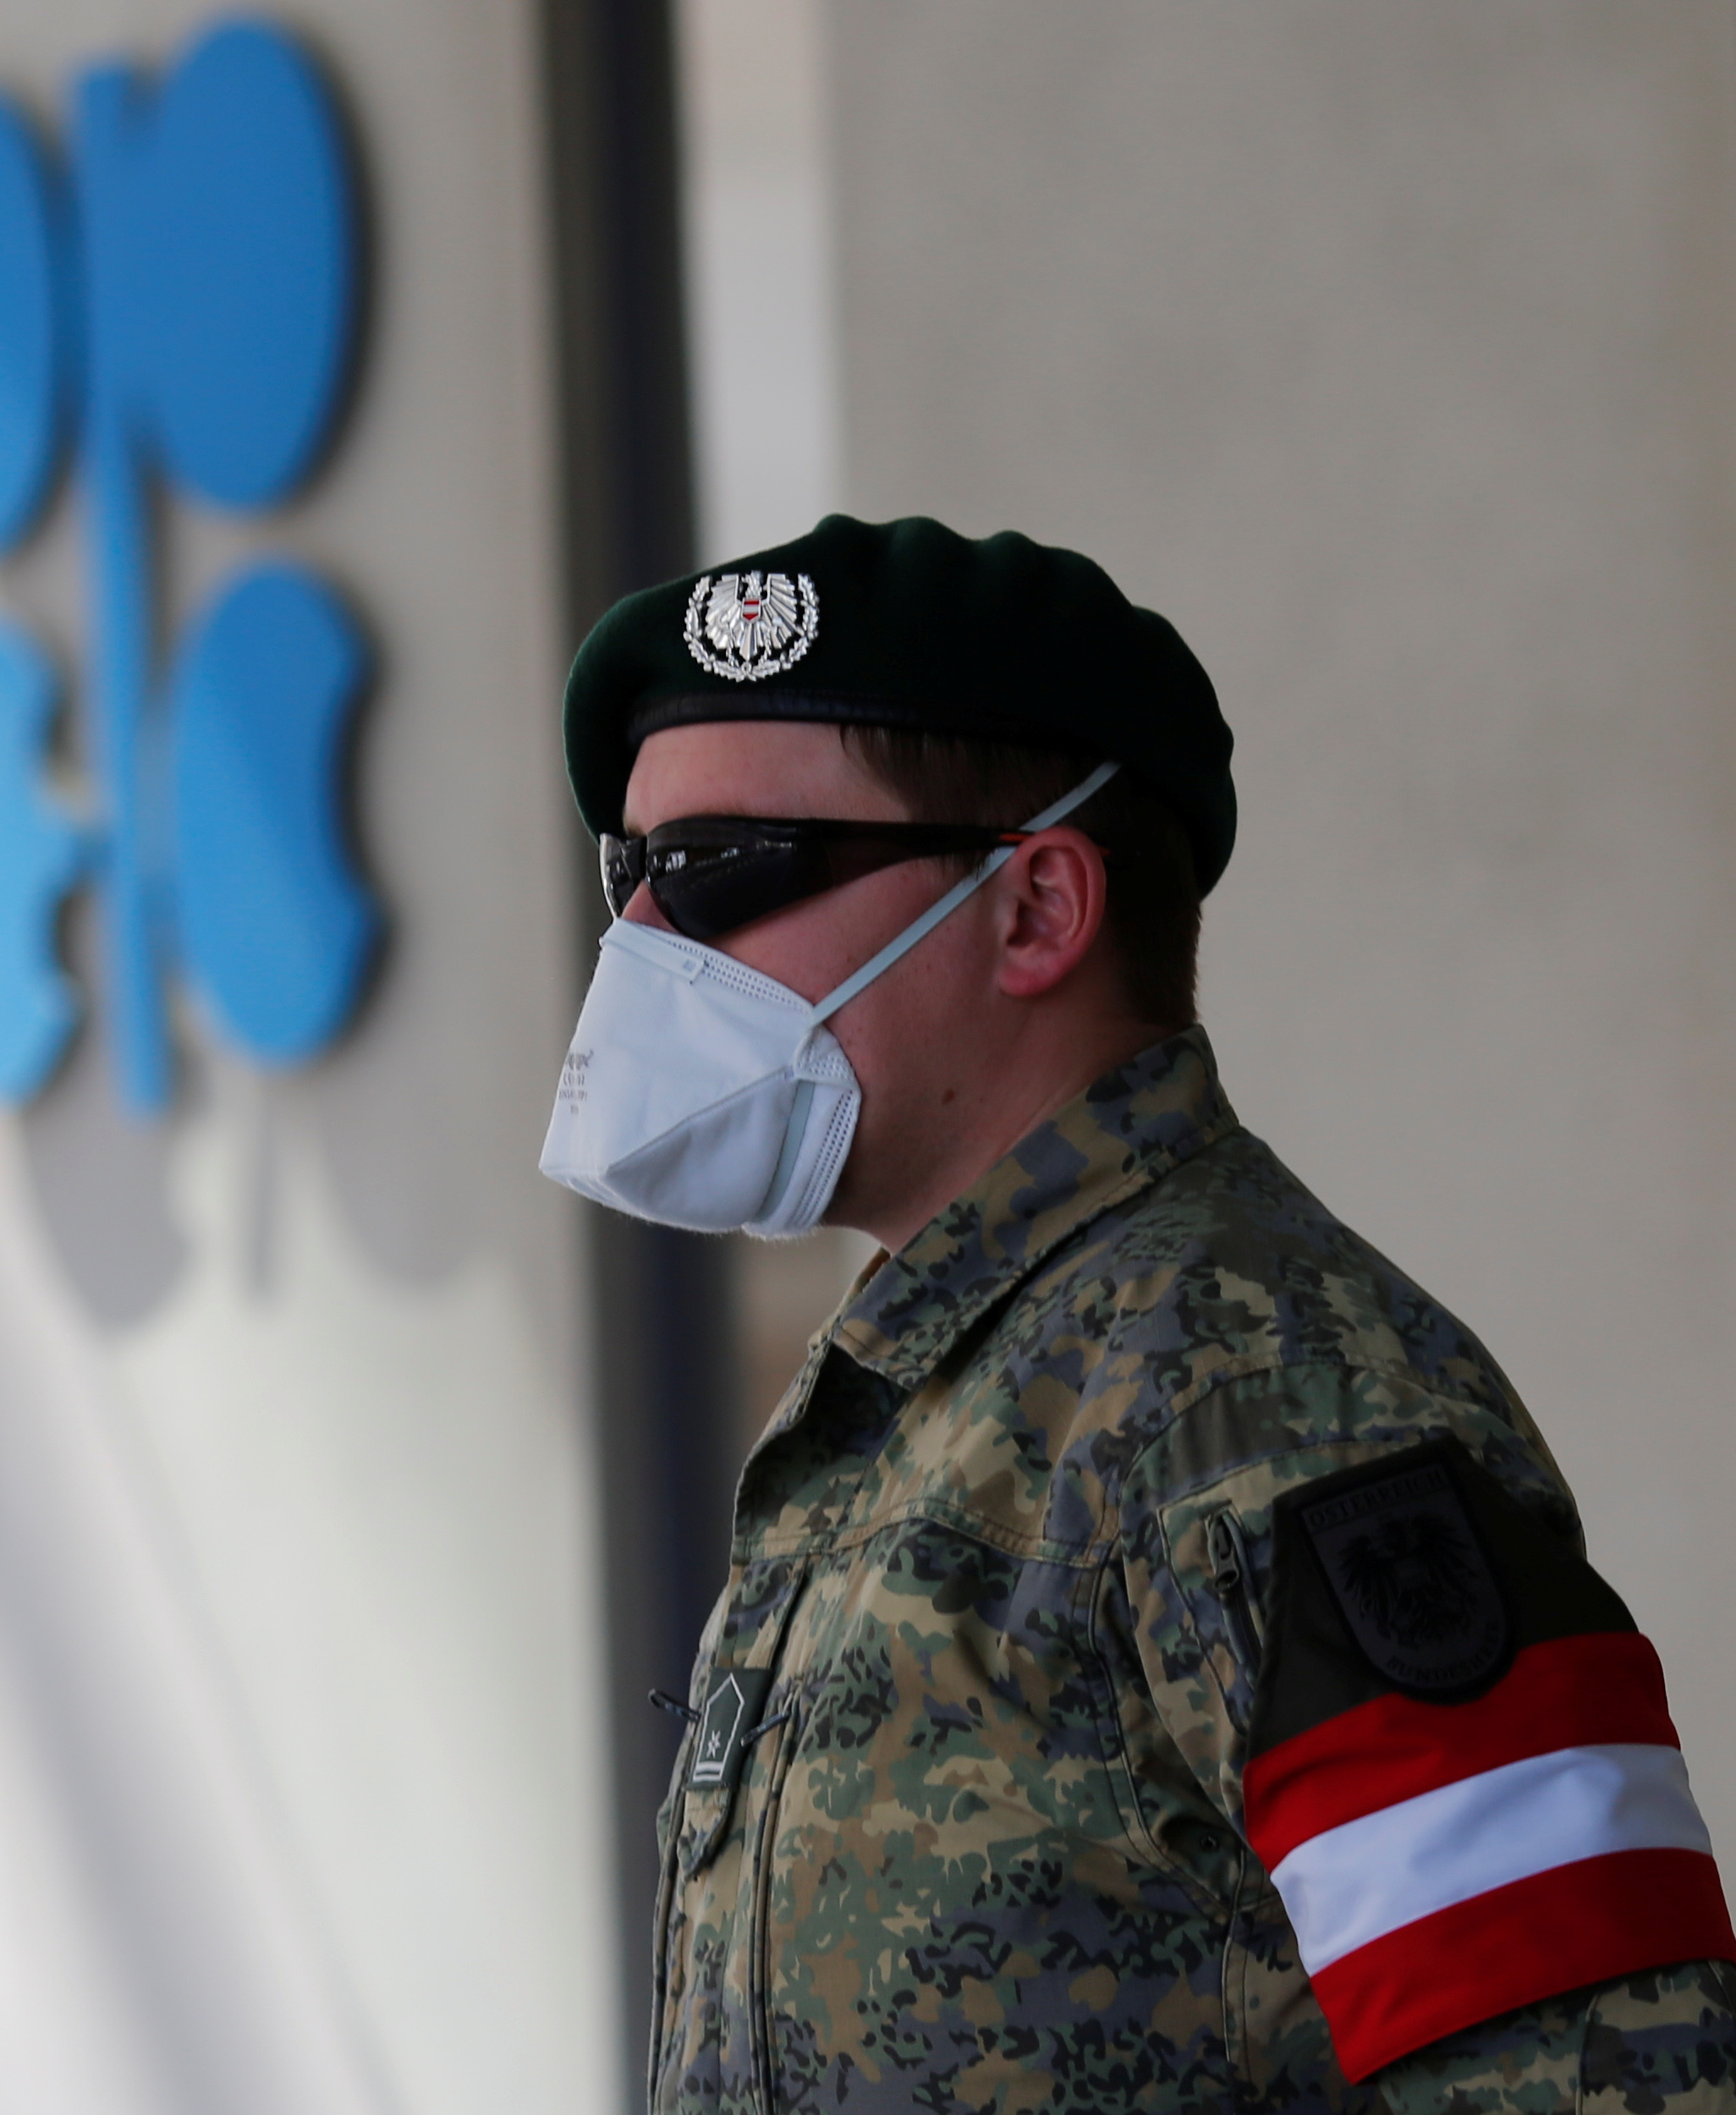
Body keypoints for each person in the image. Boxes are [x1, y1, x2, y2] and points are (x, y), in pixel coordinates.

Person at [539, 514, 1736, 2112]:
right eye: (626, 872)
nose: (638, 945)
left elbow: (1602, 2083)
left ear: (1035, 908)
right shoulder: (928, 1388)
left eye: (712, 872)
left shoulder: (1262, 1396)